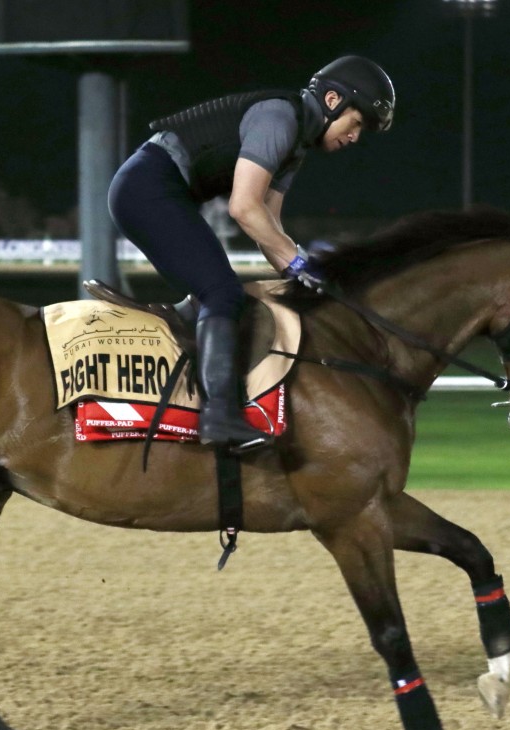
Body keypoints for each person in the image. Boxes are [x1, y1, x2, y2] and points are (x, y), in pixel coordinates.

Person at [108, 55, 395, 452]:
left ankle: (195, 372)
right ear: (332, 100)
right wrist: (298, 263)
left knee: (220, 291)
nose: (355, 137)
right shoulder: (280, 119)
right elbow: (244, 208)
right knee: (222, 292)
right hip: (146, 186)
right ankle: (220, 418)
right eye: (357, 122)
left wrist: (308, 279)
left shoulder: (295, 146)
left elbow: (269, 226)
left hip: (158, 189)